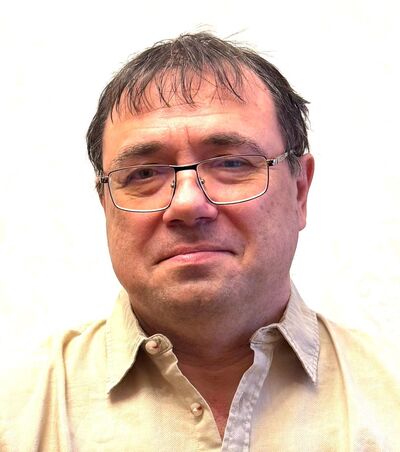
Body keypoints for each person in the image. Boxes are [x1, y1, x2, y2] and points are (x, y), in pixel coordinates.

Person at [1, 32, 399, 451]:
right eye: (143, 174)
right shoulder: (14, 418)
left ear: (299, 191)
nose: (188, 204)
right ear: (106, 206)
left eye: (232, 163)